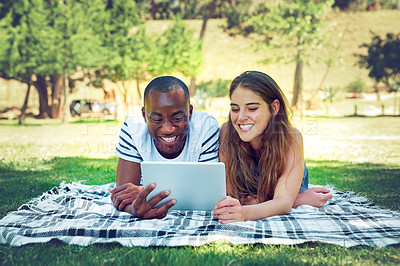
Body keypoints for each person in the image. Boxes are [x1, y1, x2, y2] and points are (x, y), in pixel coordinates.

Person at [213, 71, 332, 224]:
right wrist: (296, 201)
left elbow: (282, 201)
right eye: (235, 109)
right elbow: (232, 195)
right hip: (261, 187)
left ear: (274, 108)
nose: (241, 117)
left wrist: (244, 212)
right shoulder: (227, 132)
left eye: (252, 108)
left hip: (286, 179)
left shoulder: (292, 138)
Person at [110, 76, 219, 219]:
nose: (168, 129)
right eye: (156, 119)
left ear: (190, 113)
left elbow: (210, 193)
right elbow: (122, 196)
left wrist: (143, 193)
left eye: (177, 118)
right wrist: (134, 210)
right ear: (144, 115)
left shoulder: (205, 127)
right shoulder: (133, 129)